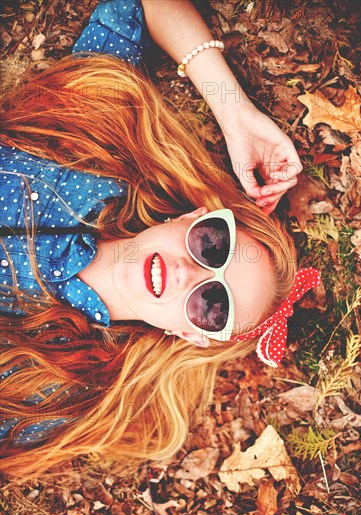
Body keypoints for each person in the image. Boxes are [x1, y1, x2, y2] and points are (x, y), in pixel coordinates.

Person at [0, 0, 320, 480]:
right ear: (193, 216)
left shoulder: (57, 386)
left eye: (213, 305)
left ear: (191, 334)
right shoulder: (93, 144)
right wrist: (234, 112)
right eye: (212, 244)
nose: (191, 273)